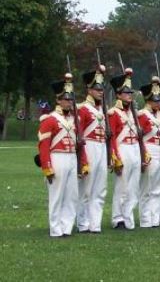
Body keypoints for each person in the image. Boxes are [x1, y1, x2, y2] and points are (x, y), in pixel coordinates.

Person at [37, 73, 88, 237]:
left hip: (72, 157)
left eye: (71, 99)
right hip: (57, 157)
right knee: (57, 195)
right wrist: (47, 167)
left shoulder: (75, 120)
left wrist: (83, 162)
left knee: (71, 195)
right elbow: (43, 146)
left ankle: (66, 227)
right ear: (58, 100)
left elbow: (80, 144)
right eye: (66, 99)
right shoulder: (49, 120)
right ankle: (55, 228)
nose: (69, 102)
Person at [108, 68, 145, 230]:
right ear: (118, 94)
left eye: (130, 92)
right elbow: (112, 137)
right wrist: (115, 157)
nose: (129, 95)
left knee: (133, 186)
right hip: (123, 148)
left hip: (135, 148)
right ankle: (118, 218)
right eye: (125, 92)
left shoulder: (134, 113)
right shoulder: (113, 113)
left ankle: (128, 216)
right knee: (122, 186)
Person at [77, 65, 108, 234]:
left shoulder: (102, 110)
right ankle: (83, 222)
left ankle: (95, 223)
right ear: (89, 89)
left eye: (101, 88)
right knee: (86, 188)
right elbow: (79, 135)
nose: (100, 91)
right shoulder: (82, 109)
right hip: (89, 146)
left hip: (101, 147)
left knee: (100, 188)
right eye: (96, 88)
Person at [137, 77, 160, 228]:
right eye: (155, 100)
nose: (158, 103)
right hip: (149, 149)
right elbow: (139, 137)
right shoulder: (142, 115)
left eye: (158, 100)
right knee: (147, 188)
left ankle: (155, 219)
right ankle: (145, 219)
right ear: (148, 100)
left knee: (158, 187)